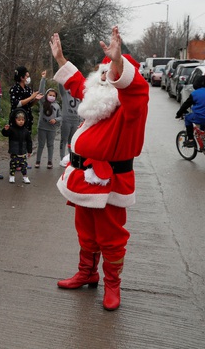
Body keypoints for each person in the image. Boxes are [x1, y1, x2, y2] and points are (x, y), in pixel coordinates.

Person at [50, 26, 149, 311]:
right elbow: (80, 84)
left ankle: (113, 285)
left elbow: (136, 91)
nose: (104, 77)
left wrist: (118, 63)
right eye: (103, 72)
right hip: (84, 180)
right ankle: (87, 272)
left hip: (110, 184)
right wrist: (60, 59)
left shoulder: (129, 109)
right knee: (85, 232)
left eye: (111, 73)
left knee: (111, 238)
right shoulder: (98, 102)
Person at [41, 70, 82, 162]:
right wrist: (63, 72)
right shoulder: (65, 93)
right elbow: (60, 84)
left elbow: (81, 108)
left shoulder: (79, 94)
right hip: (66, 120)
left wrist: (81, 120)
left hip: (75, 120)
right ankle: (62, 158)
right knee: (64, 140)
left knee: (72, 141)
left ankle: (71, 159)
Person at [175, 74, 205, 147]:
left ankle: (190, 140)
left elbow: (186, 105)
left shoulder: (195, 93)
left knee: (188, 118)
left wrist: (178, 114)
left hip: (201, 117)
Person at [2, 110, 33, 184]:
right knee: (13, 164)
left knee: (24, 165)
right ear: (15, 120)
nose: (21, 121)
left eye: (22, 120)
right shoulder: (12, 129)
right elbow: (5, 134)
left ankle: (25, 177)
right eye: (19, 120)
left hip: (22, 151)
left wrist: (29, 151)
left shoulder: (26, 131)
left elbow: (29, 141)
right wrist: (5, 130)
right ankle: (12, 176)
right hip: (14, 151)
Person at [9, 66, 42, 136]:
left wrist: (36, 99)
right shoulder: (14, 89)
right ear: (22, 78)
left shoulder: (28, 89)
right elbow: (17, 104)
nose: (28, 78)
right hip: (17, 117)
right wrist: (31, 97)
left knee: (27, 140)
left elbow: (29, 104)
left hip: (27, 118)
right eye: (27, 76)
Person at [35, 85, 62, 169]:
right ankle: (38, 161)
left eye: (54, 96)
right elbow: (41, 90)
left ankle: (50, 161)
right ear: (46, 95)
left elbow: (61, 116)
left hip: (52, 129)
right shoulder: (43, 102)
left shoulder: (57, 106)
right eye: (50, 95)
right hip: (42, 127)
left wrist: (55, 120)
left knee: (50, 145)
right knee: (41, 145)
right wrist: (43, 79)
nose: (52, 97)